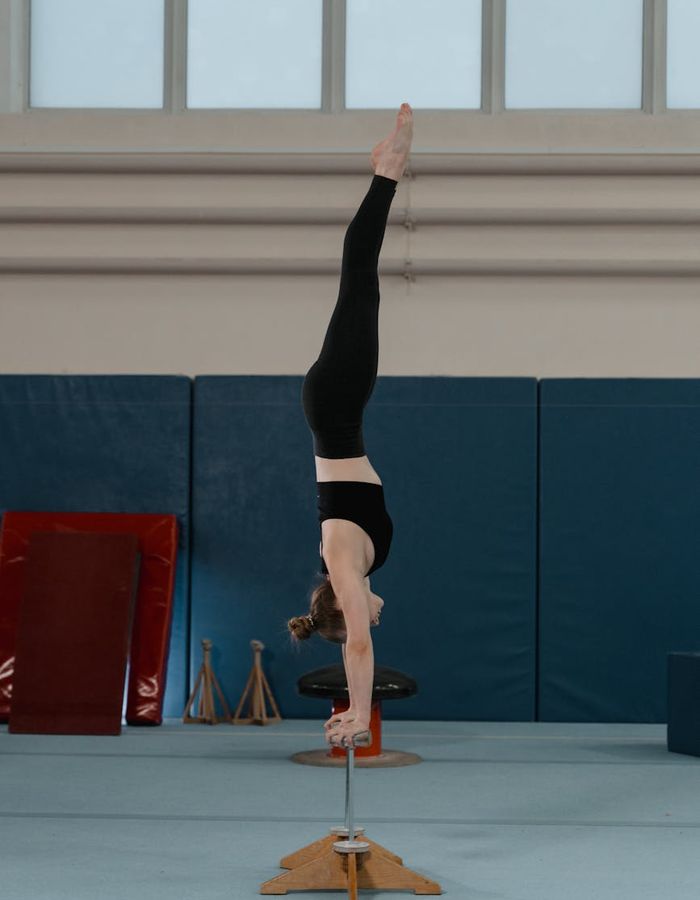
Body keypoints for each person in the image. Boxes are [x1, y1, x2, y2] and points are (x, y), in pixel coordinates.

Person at [287, 103, 414, 749]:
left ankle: (387, 173)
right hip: (338, 411)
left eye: (359, 616)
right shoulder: (352, 567)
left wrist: (359, 715)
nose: (371, 619)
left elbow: (357, 644)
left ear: (348, 603)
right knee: (360, 288)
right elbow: (355, 632)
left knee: (359, 281)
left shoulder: (343, 560)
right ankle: (384, 175)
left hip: (336, 407)